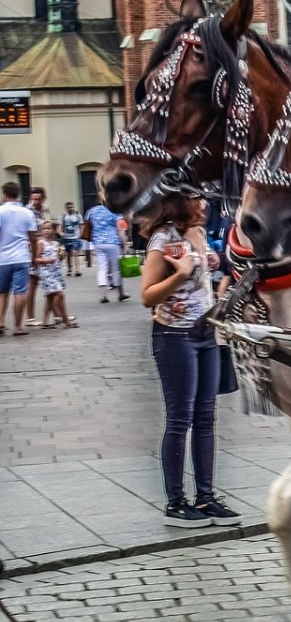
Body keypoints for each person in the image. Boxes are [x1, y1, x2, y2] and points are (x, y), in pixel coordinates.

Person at [141, 193, 240, 527]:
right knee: (180, 418)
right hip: (174, 336)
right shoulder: (162, 239)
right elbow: (147, 295)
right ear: (180, 203)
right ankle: (175, 502)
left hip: (206, 334)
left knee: (206, 418)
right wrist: (181, 275)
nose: (205, 205)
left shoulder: (197, 233)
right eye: (197, 200)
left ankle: (206, 497)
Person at [0, 182, 38, 337]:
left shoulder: (0, 211)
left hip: (2, 258)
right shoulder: (27, 213)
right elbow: (33, 238)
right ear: (19, 195)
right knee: (20, 292)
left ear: (4, 194)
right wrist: (34, 256)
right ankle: (17, 326)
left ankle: (1, 322)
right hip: (21, 256)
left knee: (2, 293)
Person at [83, 201, 130, 303]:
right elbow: (120, 229)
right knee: (116, 269)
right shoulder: (115, 210)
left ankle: (103, 295)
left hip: (98, 243)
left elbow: (87, 225)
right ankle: (121, 294)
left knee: (101, 269)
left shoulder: (91, 211)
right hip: (113, 243)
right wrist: (125, 244)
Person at [35, 220, 75, 329]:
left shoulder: (57, 244)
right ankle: (65, 320)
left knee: (50, 297)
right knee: (60, 294)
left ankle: (45, 321)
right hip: (46, 272)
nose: (46, 231)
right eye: (44, 229)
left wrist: (62, 257)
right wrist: (47, 260)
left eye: (49, 228)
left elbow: (59, 258)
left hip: (56, 271)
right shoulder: (41, 243)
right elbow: (37, 258)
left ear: (54, 230)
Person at [24, 187, 48, 324]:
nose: (36, 202)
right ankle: (30, 316)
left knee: (49, 281)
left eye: (39, 199)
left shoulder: (45, 210)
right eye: (34, 199)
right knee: (32, 283)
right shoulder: (27, 211)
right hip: (32, 248)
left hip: (45, 246)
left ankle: (56, 314)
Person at [60, 201, 83, 276]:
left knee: (75, 253)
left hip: (76, 237)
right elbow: (61, 226)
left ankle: (77, 270)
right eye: (69, 207)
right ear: (66, 208)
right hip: (66, 237)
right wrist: (61, 233)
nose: (71, 209)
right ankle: (69, 269)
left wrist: (81, 234)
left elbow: (81, 225)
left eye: (72, 207)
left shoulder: (78, 216)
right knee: (68, 254)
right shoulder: (63, 216)